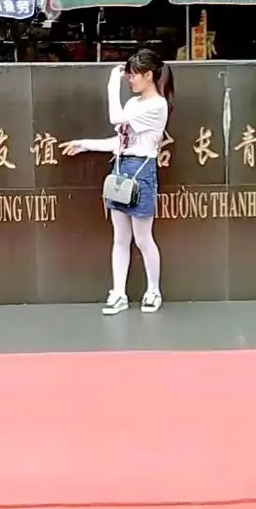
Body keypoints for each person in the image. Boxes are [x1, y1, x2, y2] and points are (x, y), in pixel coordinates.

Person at [61, 49, 174, 315]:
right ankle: (119, 293)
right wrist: (84, 144)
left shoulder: (157, 106)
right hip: (121, 168)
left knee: (143, 238)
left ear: (149, 75)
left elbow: (116, 119)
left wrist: (112, 85)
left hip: (142, 172)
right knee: (120, 238)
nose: (129, 80)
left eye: (133, 76)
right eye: (128, 76)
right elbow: (121, 142)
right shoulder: (134, 104)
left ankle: (153, 290)